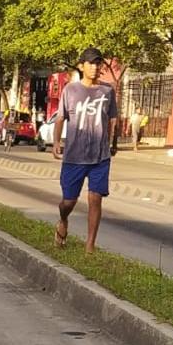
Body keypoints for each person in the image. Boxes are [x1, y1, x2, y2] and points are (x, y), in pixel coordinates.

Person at [52, 47, 118, 254]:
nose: (95, 67)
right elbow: (61, 117)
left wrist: (111, 142)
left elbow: (113, 119)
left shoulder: (107, 91)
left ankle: (90, 245)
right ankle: (63, 220)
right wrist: (56, 142)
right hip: (74, 155)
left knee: (95, 198)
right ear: (81, 66)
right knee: (68, 201)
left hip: (100, 156)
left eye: (98, 63)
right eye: (91, 63)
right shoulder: (70, 90)